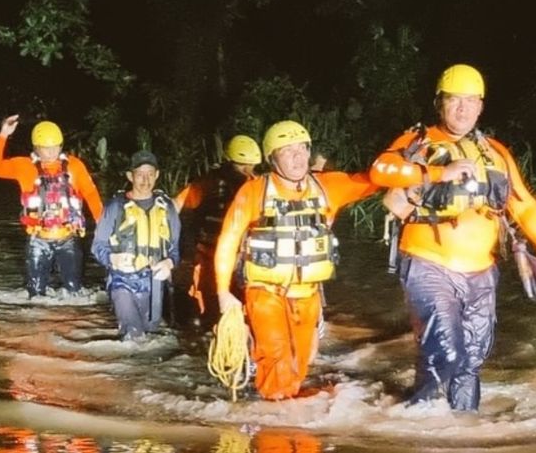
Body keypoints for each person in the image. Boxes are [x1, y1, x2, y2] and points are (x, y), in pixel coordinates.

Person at [369, 64, 536, 411]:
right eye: (454, 100)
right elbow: (380, 171)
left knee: (471, 361)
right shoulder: (418, 142)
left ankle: (463, 427)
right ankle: (417, 420)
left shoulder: (495, 152)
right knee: (447, 352)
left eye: (470, 101)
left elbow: (523, 206)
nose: (462, 109)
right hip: (428, 266)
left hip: (481, 273)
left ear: (480, 106)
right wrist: (439, 172)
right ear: (440, 103)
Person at [214, 120, 378, 400]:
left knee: (301, 362)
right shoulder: (253, 192)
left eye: (302, 149)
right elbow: (228, 241)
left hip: (307, 294)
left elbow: (376, 180)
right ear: (272, 158)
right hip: (265, 292)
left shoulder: (328, 187)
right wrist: (223, 293)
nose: (298, 157)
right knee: (275, 358)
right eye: (288, 151)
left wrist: (416, 162)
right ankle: (275, 415)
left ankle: (285, 409)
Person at [0, 114, 103, 299]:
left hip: (68, 238)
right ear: (36, 148)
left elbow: (91, 194)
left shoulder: (75, 166)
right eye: (45, 148)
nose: (50, 152)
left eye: (55, 147)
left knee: (74, 291)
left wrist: (102, 224)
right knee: (35, 293)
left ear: (61, 146)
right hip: (38, 240)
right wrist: (3, 135)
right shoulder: (24, 166)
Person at [91, 150, 181, 341]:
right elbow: (97, 246)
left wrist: (169, 263)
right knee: (134, 336)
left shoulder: (167, 208)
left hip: (154, 283)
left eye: (150, 174)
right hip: (122, 280)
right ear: (130, 176)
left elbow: (176, 248)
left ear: (157, 175)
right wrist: (112, 259)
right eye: (140, 174)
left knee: (150, 336)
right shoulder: (115, 206)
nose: (145, 180)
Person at [174, 135, 261, 324]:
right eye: (242, 166)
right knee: (209, 308)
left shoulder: (257, 185)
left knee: (247, 310)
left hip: (244, 258)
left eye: (251, 166)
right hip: (208, 255)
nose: (247, 171)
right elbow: (177, 208)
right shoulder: (206, 184)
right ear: (229, 162)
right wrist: (185, 254)